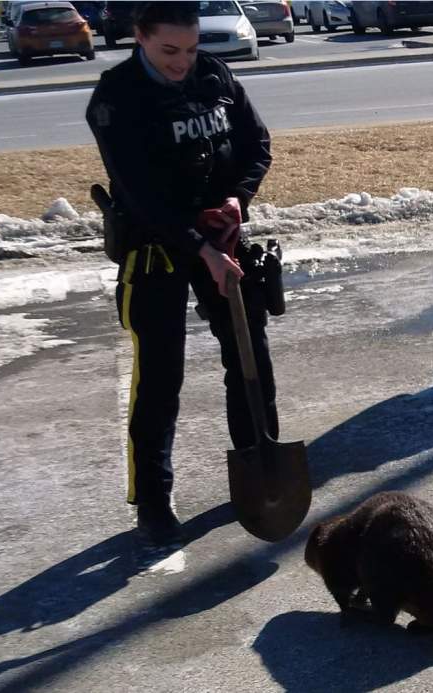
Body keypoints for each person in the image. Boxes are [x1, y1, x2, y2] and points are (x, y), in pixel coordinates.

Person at [86, 2, 278, 547]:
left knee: (250, 354)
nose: (182, 62)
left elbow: (255, 144)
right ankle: (152, 499)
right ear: (140, 37)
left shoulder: (214, 75)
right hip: (157, 248)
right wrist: (200, 248)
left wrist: (238, 201)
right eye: (169, 50)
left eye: (191, 49)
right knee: (161, 373)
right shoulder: (115, 98)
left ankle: (258, 465)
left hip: (220, 237)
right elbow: (140, 195)